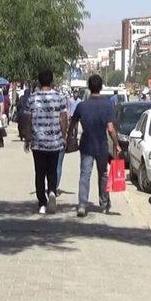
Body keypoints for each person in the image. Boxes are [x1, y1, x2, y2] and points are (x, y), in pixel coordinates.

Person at [67, 74, 120, 218]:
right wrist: (116, 143)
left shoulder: (82, 106)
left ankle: (82, 205)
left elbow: (72, 125)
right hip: (102, 146)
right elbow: (110, 128)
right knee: (103, 174)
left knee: (85, 175)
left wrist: (68, 139)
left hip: (86, 145)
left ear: (89, 88)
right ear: (101, 87)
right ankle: (103, 204)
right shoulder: (107, 105)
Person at [27, 69, 68, 214]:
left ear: (39, 81)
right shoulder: (60, 97)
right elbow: (63, 118)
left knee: (39, 172)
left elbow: (28, 119)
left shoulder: (32, 98)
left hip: (38, 142)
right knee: (52, 170)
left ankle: (42, 203)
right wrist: (63, 136)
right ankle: (51, 191)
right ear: (51, 80)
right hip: (54, 141)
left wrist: (28, 138)